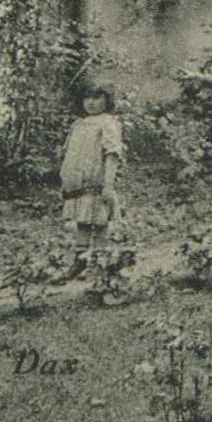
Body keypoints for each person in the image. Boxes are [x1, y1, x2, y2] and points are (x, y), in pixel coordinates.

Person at [59, 85, 125, 296]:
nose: (91, 103)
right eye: (87, 98)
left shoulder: (107, 122)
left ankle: (101, 262)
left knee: (99, 221)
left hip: (96, 181)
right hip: (77, 183)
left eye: (97, 98)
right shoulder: (79, 124)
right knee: (82, 221)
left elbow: (112, 153)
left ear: (107, 100)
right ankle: (80, 260)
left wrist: (108, 183)